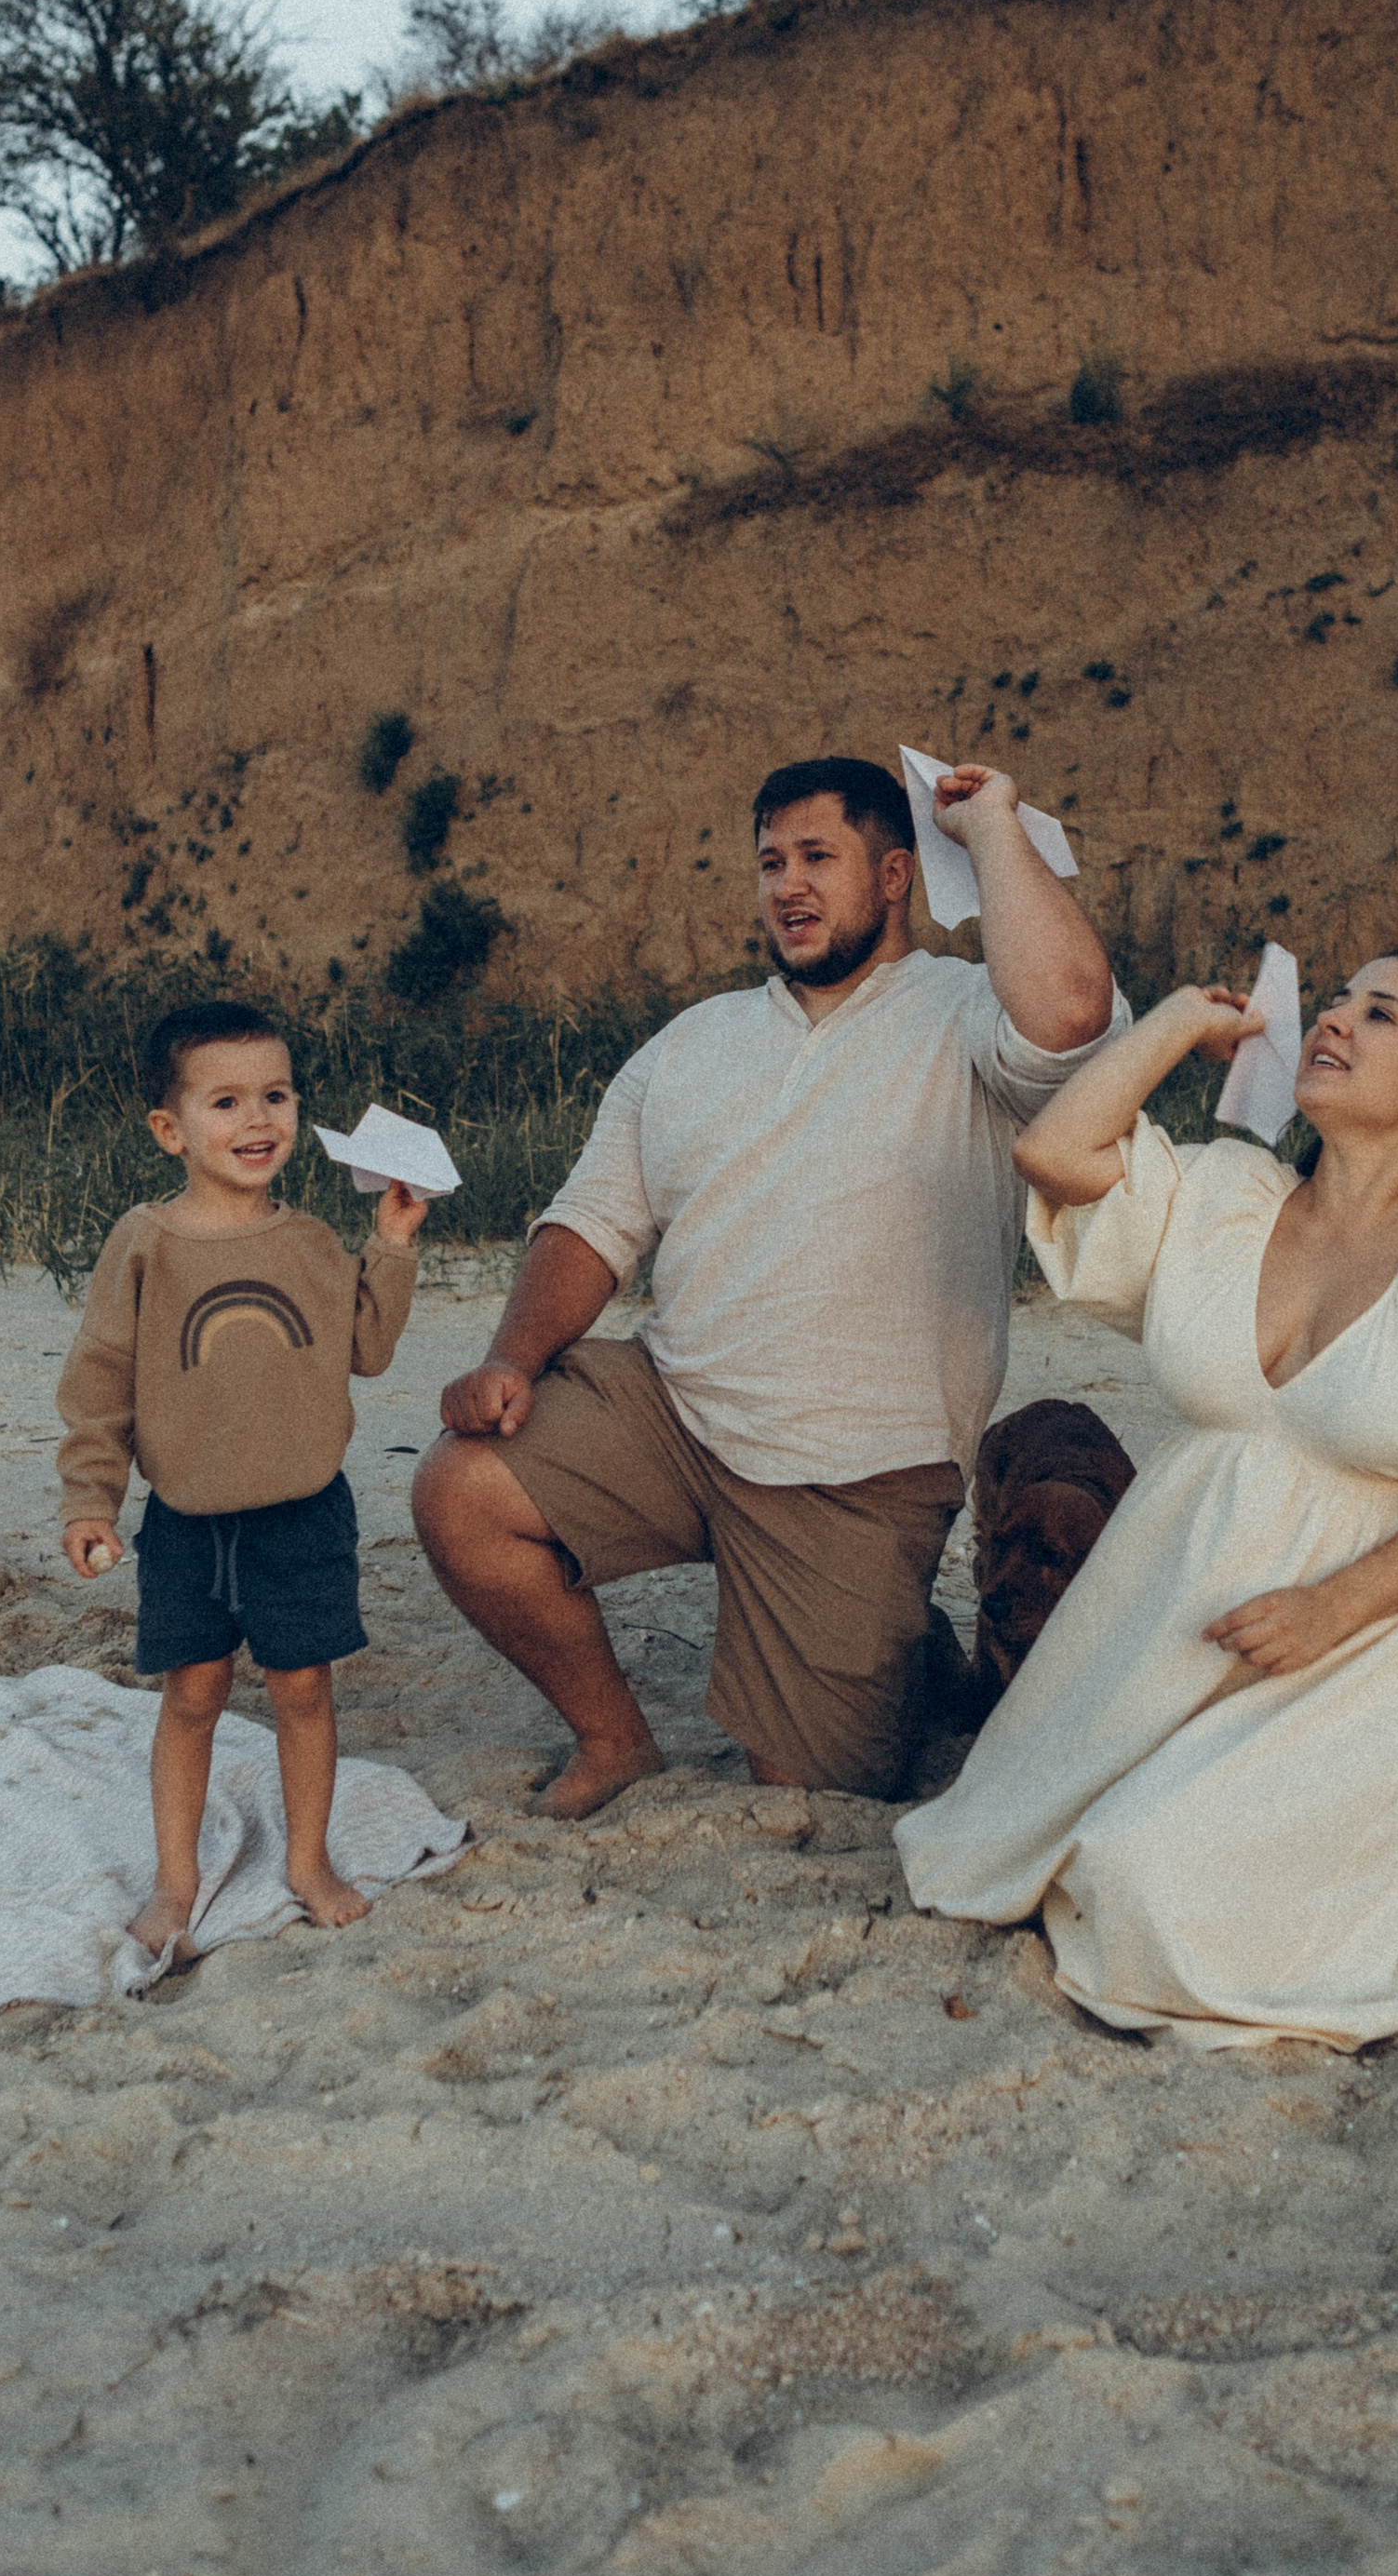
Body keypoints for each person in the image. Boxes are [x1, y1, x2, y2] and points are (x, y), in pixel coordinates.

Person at [894, 946, 1398, 2046]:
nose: (1333, 1022)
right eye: (1330, 1003)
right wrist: (1180, 1021)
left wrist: (1333, 1606)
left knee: (1145, 1887)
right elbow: (1054, 1147)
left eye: (1378, 1015)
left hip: (1350, 1658)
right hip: (1157, 1627)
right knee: (1018, 1853)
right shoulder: (1228, 1196)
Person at [412, 758, 1124, 1817]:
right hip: (672, 1410)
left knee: (807, 1788)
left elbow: (1073, 1011)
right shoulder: (690, 1042)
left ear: (893, 876)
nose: (787, 886)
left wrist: (989, 829)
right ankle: (614, 1742)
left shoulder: (969, 1015)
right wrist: (512, 1358)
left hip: (861, 1470)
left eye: (816, 859)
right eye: (769, 863)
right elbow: (589, 1224)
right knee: (459, 1489)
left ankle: (905, 1644)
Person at [58, 999, 431, 1959]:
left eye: (275, 1095)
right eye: (226, 1102)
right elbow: (100, 1380)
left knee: (303, 1689)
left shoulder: (308, 1242)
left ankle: (306, 1861)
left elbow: (367, 1348)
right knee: (193, 1695)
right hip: (188, 1520)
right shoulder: (144, 1243)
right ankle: (175, 1881)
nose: (257, 1121)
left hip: (304, 1514)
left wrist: (390, 1246)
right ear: (169, 1129)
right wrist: (90, 1498)